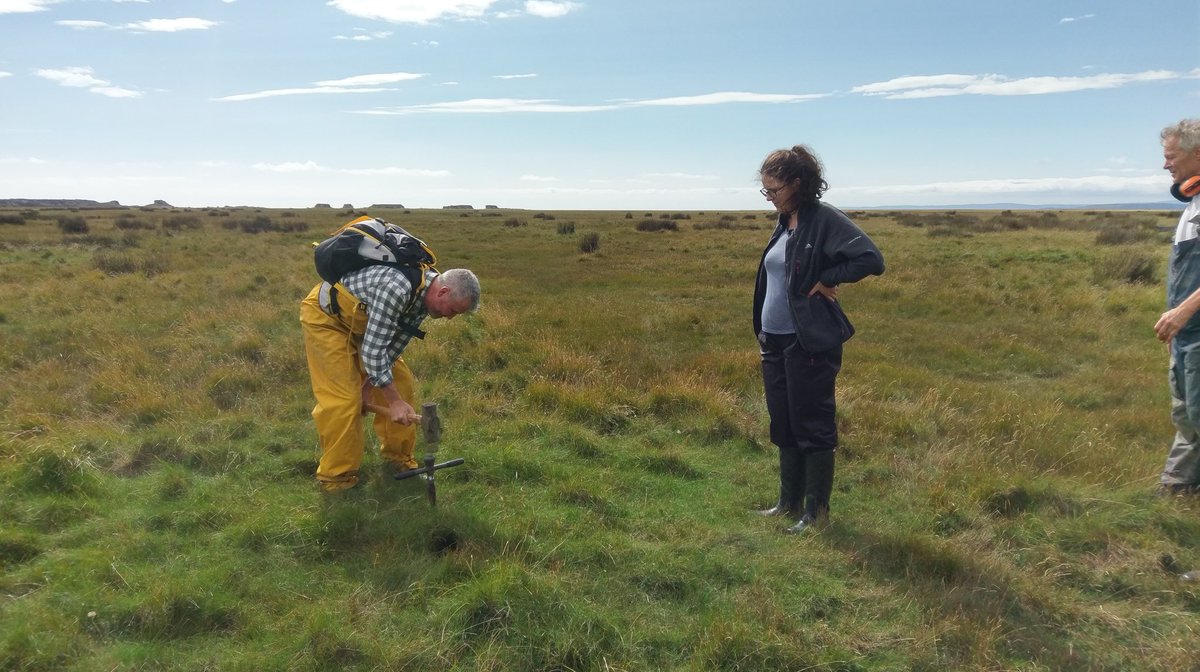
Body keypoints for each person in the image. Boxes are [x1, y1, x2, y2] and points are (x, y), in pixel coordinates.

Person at [752, 145, 884, 532]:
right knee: (784, 422)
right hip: (773, 340)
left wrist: (829, 279)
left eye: (774, 190)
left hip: (808, 342)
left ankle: (816, 513)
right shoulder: (785, 220)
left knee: (812, 424)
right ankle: (787, 503)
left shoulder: (824, 219)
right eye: (765, 192)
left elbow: (871, 259)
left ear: (797, 183)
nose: (770, 198)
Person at [300, 265, 480, 492]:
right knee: (344, 401)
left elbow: (393, 347)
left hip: (363, 324)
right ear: (443, 292)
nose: (450, 317)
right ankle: (337, 481)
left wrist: (369, 386)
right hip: (328, 319)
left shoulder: (424, 297)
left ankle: (398, 460)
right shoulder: (397, 289)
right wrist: (392, 402)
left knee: (401, 383)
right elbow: (374, 352)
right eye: (452, 310)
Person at [1154, 118, 1200, 495]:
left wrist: (1184, 311)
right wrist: (1177, 323)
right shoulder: (1193, 204)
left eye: (1171, 157)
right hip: (1187, 335)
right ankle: (1178, 489)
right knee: (1186, 414)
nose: (1166, 165)